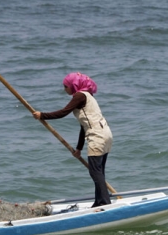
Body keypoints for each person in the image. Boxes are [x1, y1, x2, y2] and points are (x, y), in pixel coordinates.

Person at [33, 72, 113, 208]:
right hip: (106, 134)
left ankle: (105, 202)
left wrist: (42, 115)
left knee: (95, 171)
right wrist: (79, 148)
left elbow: (63, 112)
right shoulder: (89, 96)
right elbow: (84, 126)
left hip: (97, 136)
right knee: (99, 171)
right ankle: (99, 201)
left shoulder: (79, 96)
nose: (64, 89)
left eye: (66, 86)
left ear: (74, 85)